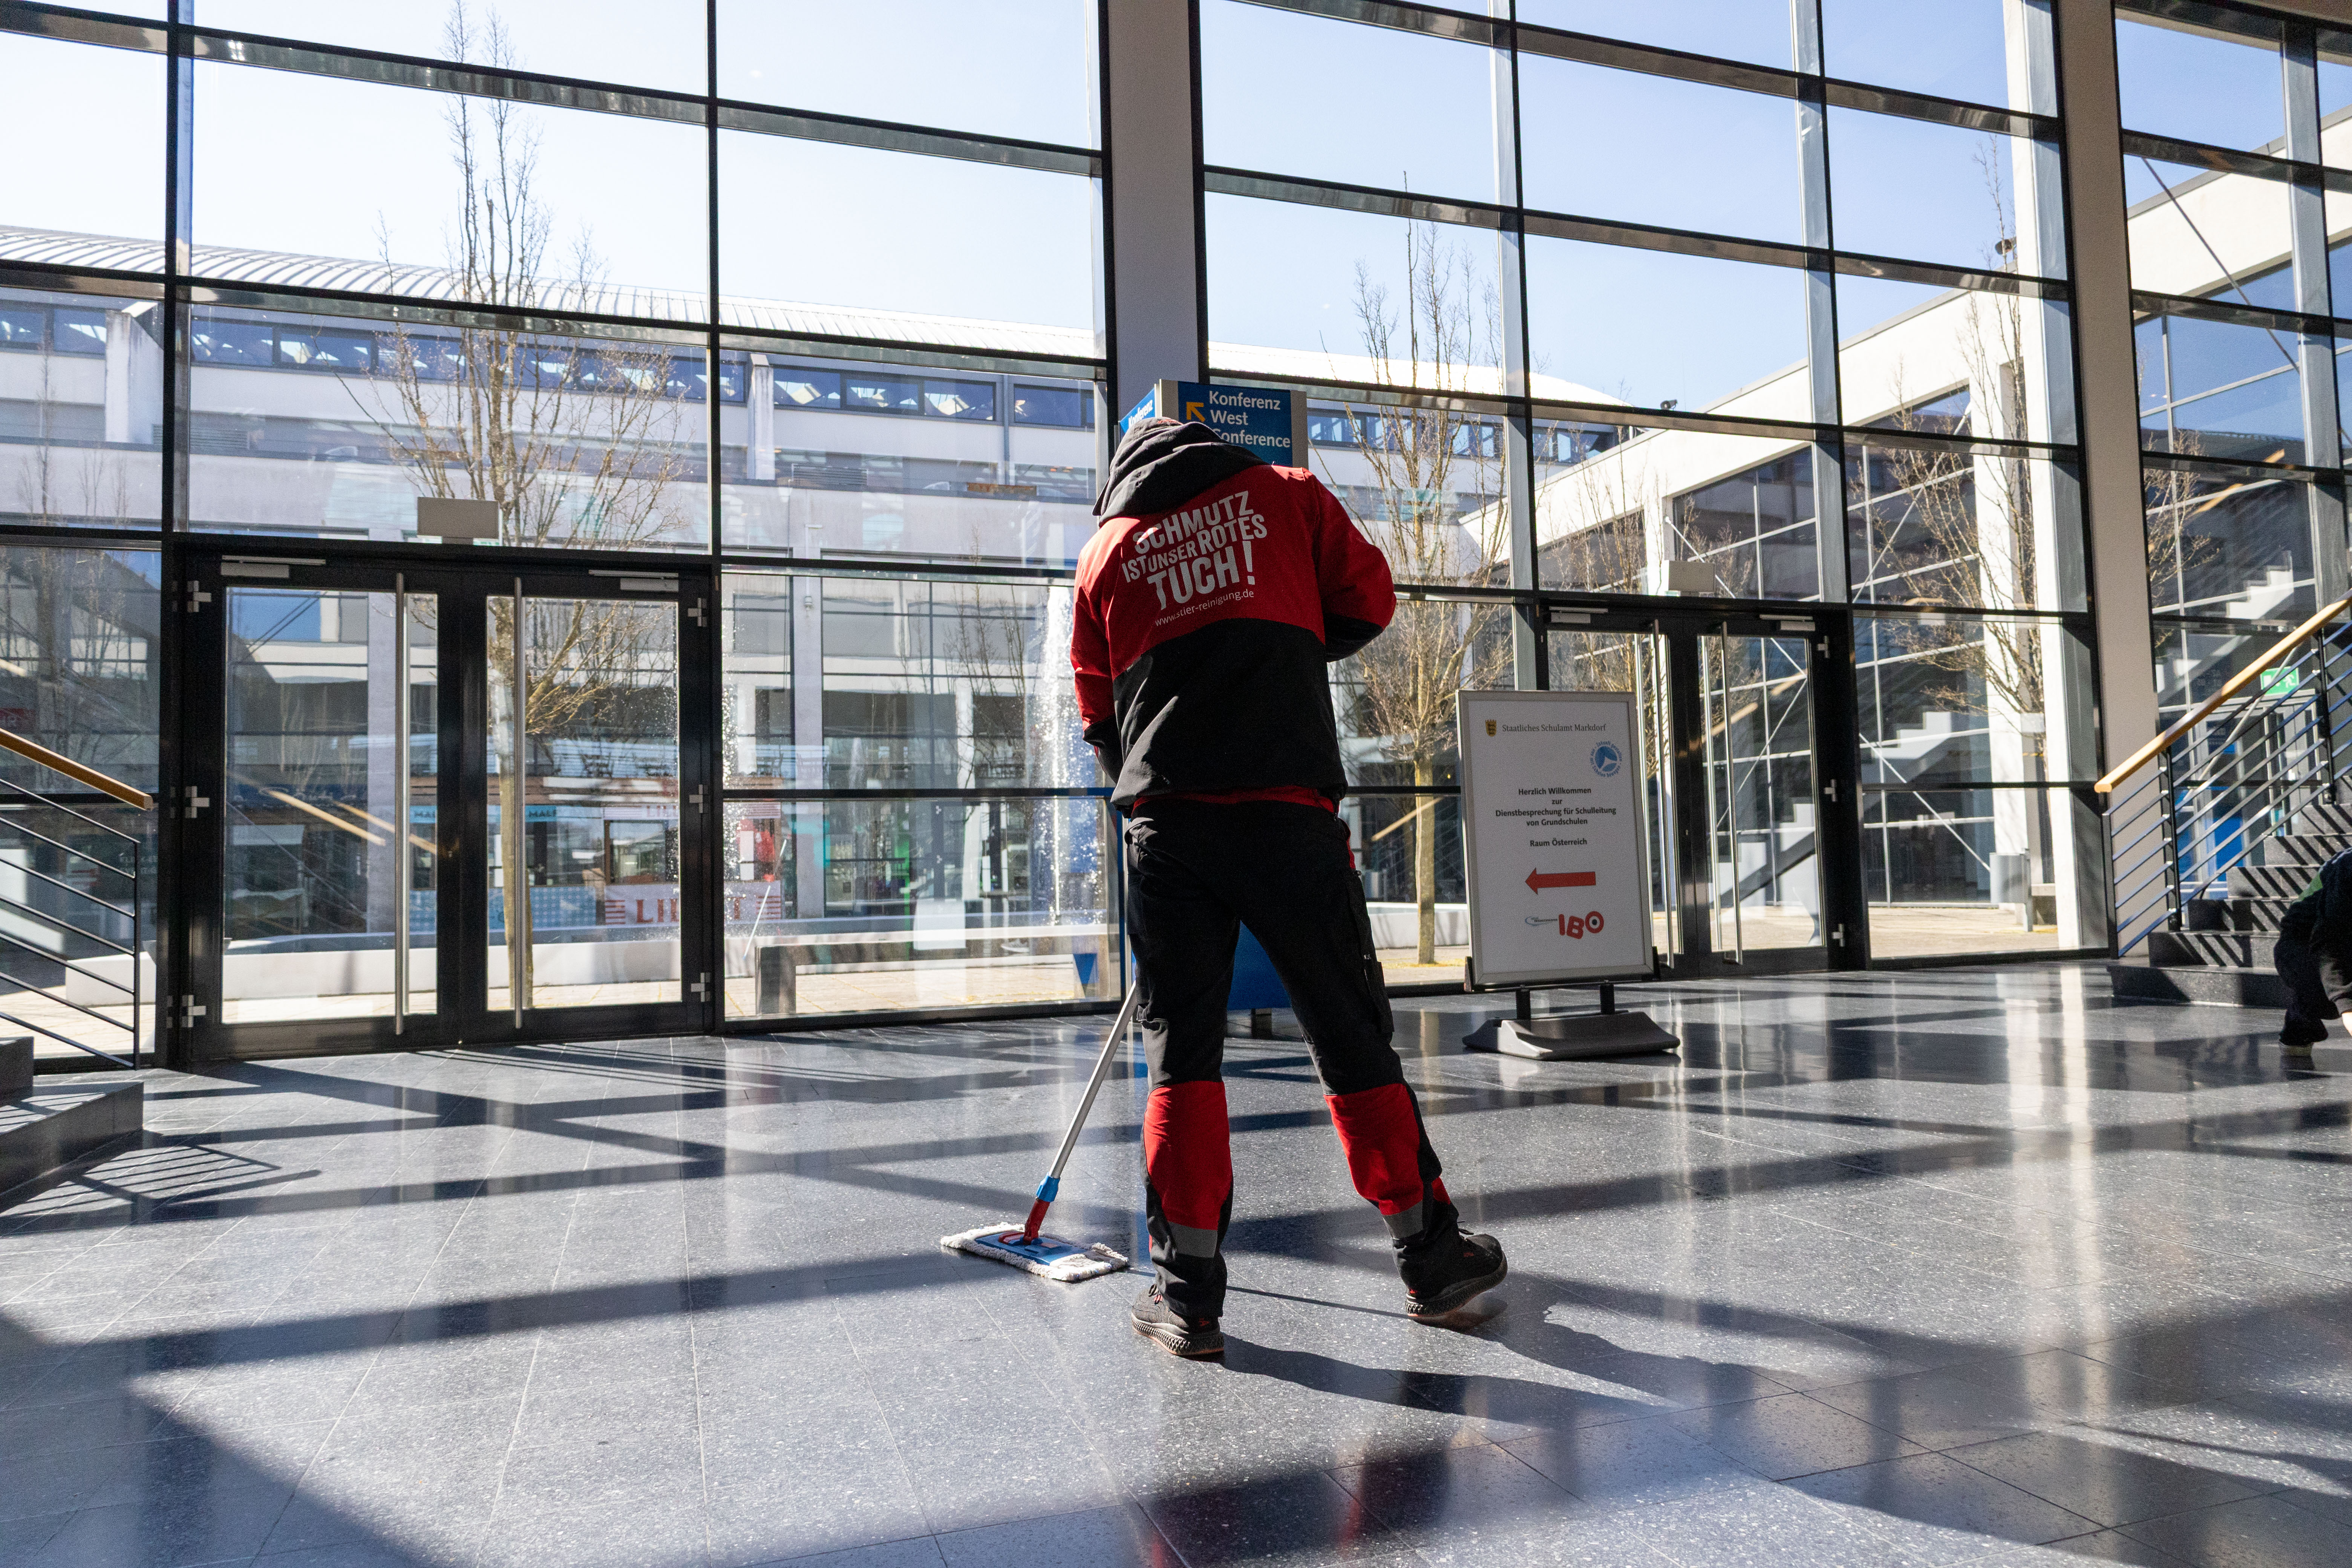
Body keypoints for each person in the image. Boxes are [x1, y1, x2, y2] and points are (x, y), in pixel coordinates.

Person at [1071, 415, 1507, 1358]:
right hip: (1287, 811)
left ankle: (1187, 1294)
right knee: (1348, 1033)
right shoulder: (1287, 493)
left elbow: (1097, 714)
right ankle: (1429, 1258)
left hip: (1169, 826)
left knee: (1182, 1055)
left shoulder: (1103, 553)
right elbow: (1372, 599)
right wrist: (1290, 636)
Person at [2274, 844, 2352, 1054]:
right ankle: (2301, 1021)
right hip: (2302, 944)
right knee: (2327, 999)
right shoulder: (2348, 866)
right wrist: (2347, 1005)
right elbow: (2329, 940)